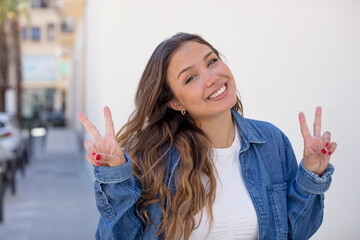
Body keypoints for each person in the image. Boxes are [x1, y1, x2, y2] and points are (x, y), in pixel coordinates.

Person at [78, 32, 337, 240]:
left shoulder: (272, 142)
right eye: (191, 78)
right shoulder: (151, 158)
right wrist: (115, 177)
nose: (213, 77)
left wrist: (311, 176)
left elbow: (296, 232)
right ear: (175, 103)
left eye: (212, 61)